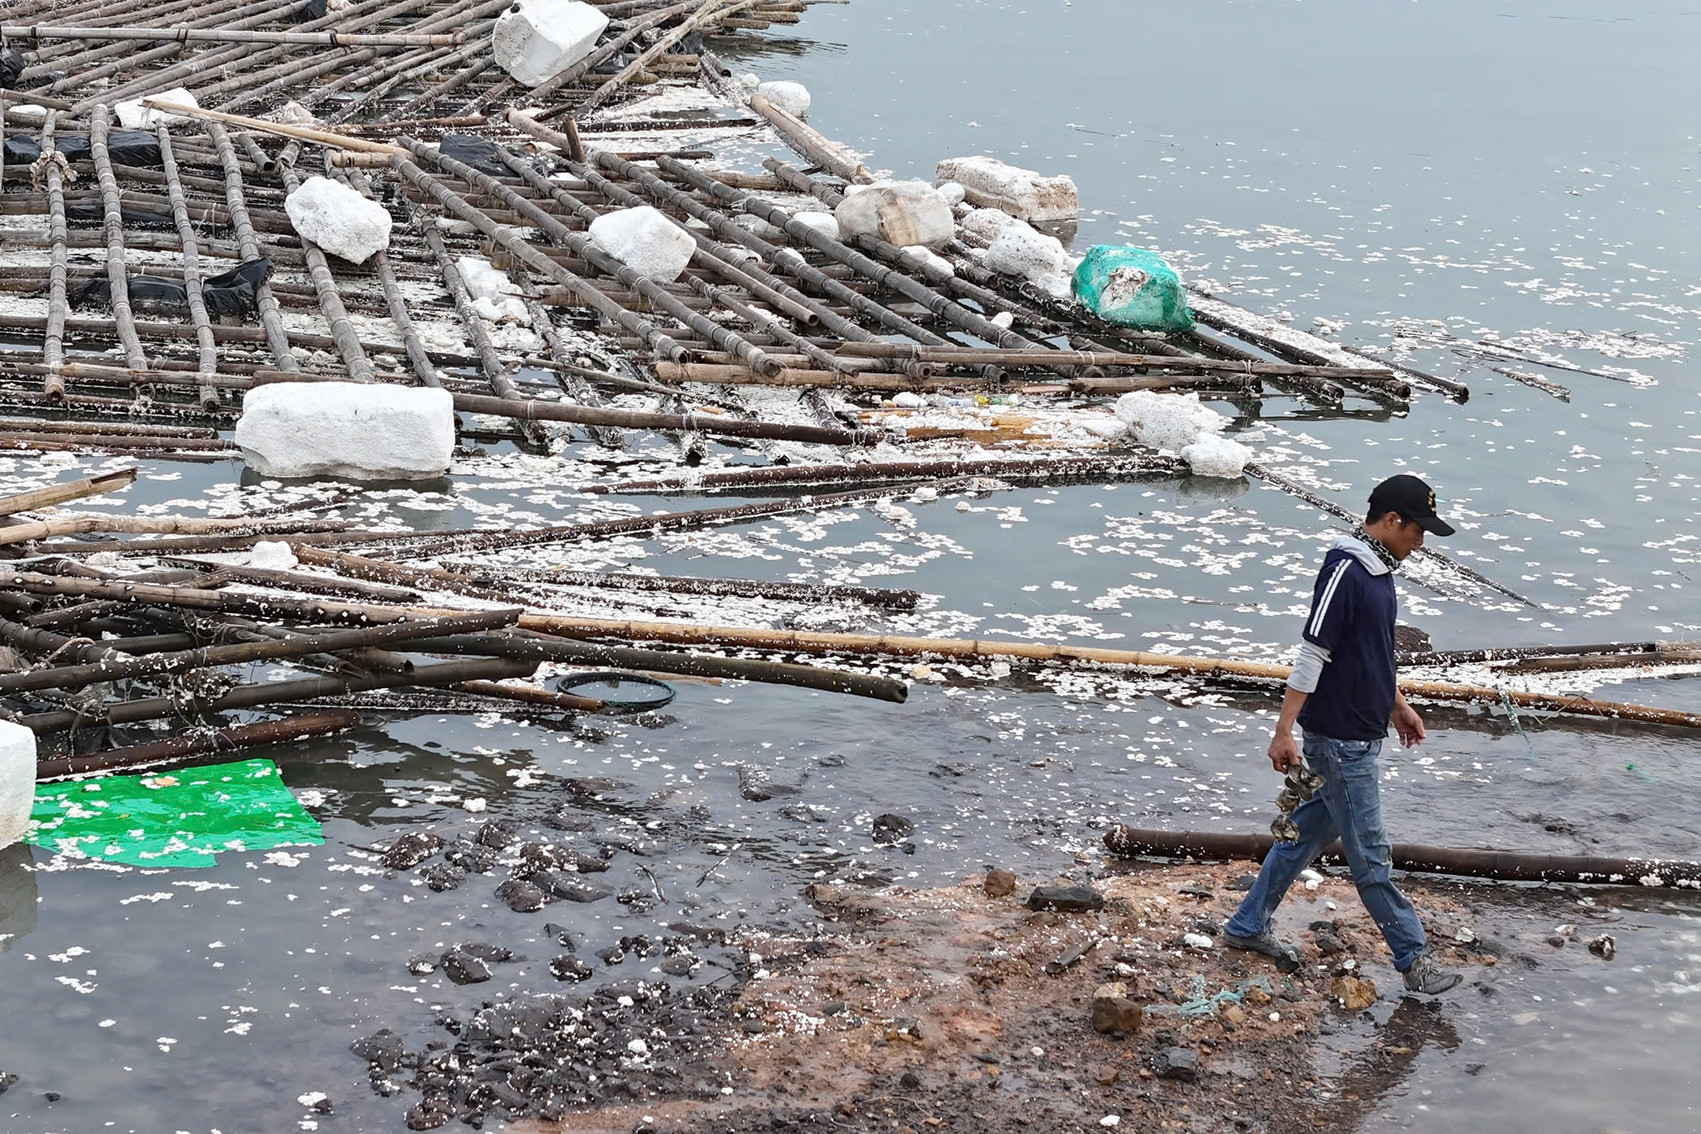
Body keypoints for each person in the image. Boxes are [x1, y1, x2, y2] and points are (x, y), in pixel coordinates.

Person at [1222, 474, 1462, 995]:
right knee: (1371, 857)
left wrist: (1397, 704)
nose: (1422, 542)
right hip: (1339, 740)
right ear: (1392, 521)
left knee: (1307, 835)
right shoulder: (1347, 570)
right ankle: (1413, 959)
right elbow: (1314, 651)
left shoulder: (1381, 570)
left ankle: (1245, 926)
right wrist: (1283, 730)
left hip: (1363, 729)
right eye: (1419, 530)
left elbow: (1372, 651)